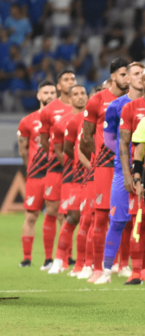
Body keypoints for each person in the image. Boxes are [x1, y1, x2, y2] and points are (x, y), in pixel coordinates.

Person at [94, 62, 145, 284]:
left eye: (143, 74)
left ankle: (142, 270)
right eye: (133, 74)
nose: (137, 77)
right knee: (117, 221)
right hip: (121, 170)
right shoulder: (116, 106)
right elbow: (107, 139)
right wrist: (128, 154)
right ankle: (106, 270)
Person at [81, 57, 129, 282]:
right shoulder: (97, 100)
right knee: (100, 219)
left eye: (129, 74)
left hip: (126, 166)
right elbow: (86, 137)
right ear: (112, 76)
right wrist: (98, 158)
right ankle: (96, 266)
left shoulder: (132, 102)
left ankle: (124, 264)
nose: (127, 79)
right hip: (104, 167)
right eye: (123, 75)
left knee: (125, 218)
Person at [118, 68, 145, 284]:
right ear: (140, 82)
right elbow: (125, 144)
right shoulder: (131, 108)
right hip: (141, 169)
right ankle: (137, 270)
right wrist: (128, 174)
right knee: (138, 219)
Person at [38, 70, 77, 270]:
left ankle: (68, 257)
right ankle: (48, 258)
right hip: (55, 166)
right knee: (53, 211)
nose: (71, 82)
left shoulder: (81, 107)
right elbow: (44, 141)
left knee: (71, 211)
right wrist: (57, 156)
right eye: (66, 79)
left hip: (75, 167)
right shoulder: (49, 110)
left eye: (73, 79)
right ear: (59, 86)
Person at [47, 85, 88, 274]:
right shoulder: (62, 123)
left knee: (92, 219)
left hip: (92, 175)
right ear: (69, 99)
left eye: (83, 93)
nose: (80, 97)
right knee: (71, 217)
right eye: (76, 94)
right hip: (74, 176)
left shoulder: (92, 120)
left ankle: (83, 263)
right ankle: (59, 259)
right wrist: (76, 165)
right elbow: (63, 151)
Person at [17, 81, 57, 267]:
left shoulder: (62, 119)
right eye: (46, 92)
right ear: (39, 96)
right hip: (36, 176)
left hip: (56, 173)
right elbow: (23, 148)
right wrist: (31, 166)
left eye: (52, 92)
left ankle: (51, 258)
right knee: (31, 216)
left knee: (58, 215)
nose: (49, 95)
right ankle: (27, 258)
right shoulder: (27, 120)